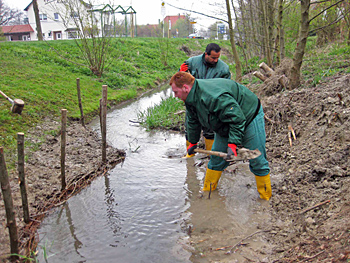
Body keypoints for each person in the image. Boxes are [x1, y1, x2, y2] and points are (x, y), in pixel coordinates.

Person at [170, 71, 271, 200]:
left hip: (248, 115)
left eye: (175, 92)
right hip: (224, 122)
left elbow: (237, 119)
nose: (175, 96)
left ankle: (265, 199)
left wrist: (232, 144)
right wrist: (193, 142)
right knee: (216, 161)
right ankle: (207, 193)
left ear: (185, 88)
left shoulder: (213, 96)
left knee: (257, 158)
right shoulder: (190, 98)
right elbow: (192, 121)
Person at [179, 43, 231, 153]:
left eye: (218, 58)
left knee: (210, 130)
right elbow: (181, 80)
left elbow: (227, 88)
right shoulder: (192, 62)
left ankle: (210, 155)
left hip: (211, 104)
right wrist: (181, 72)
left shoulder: (224, 69)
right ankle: (190, 156)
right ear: (206, 54)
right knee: (190, 128)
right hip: (193, 102)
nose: (216, 60)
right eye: (213, 58)